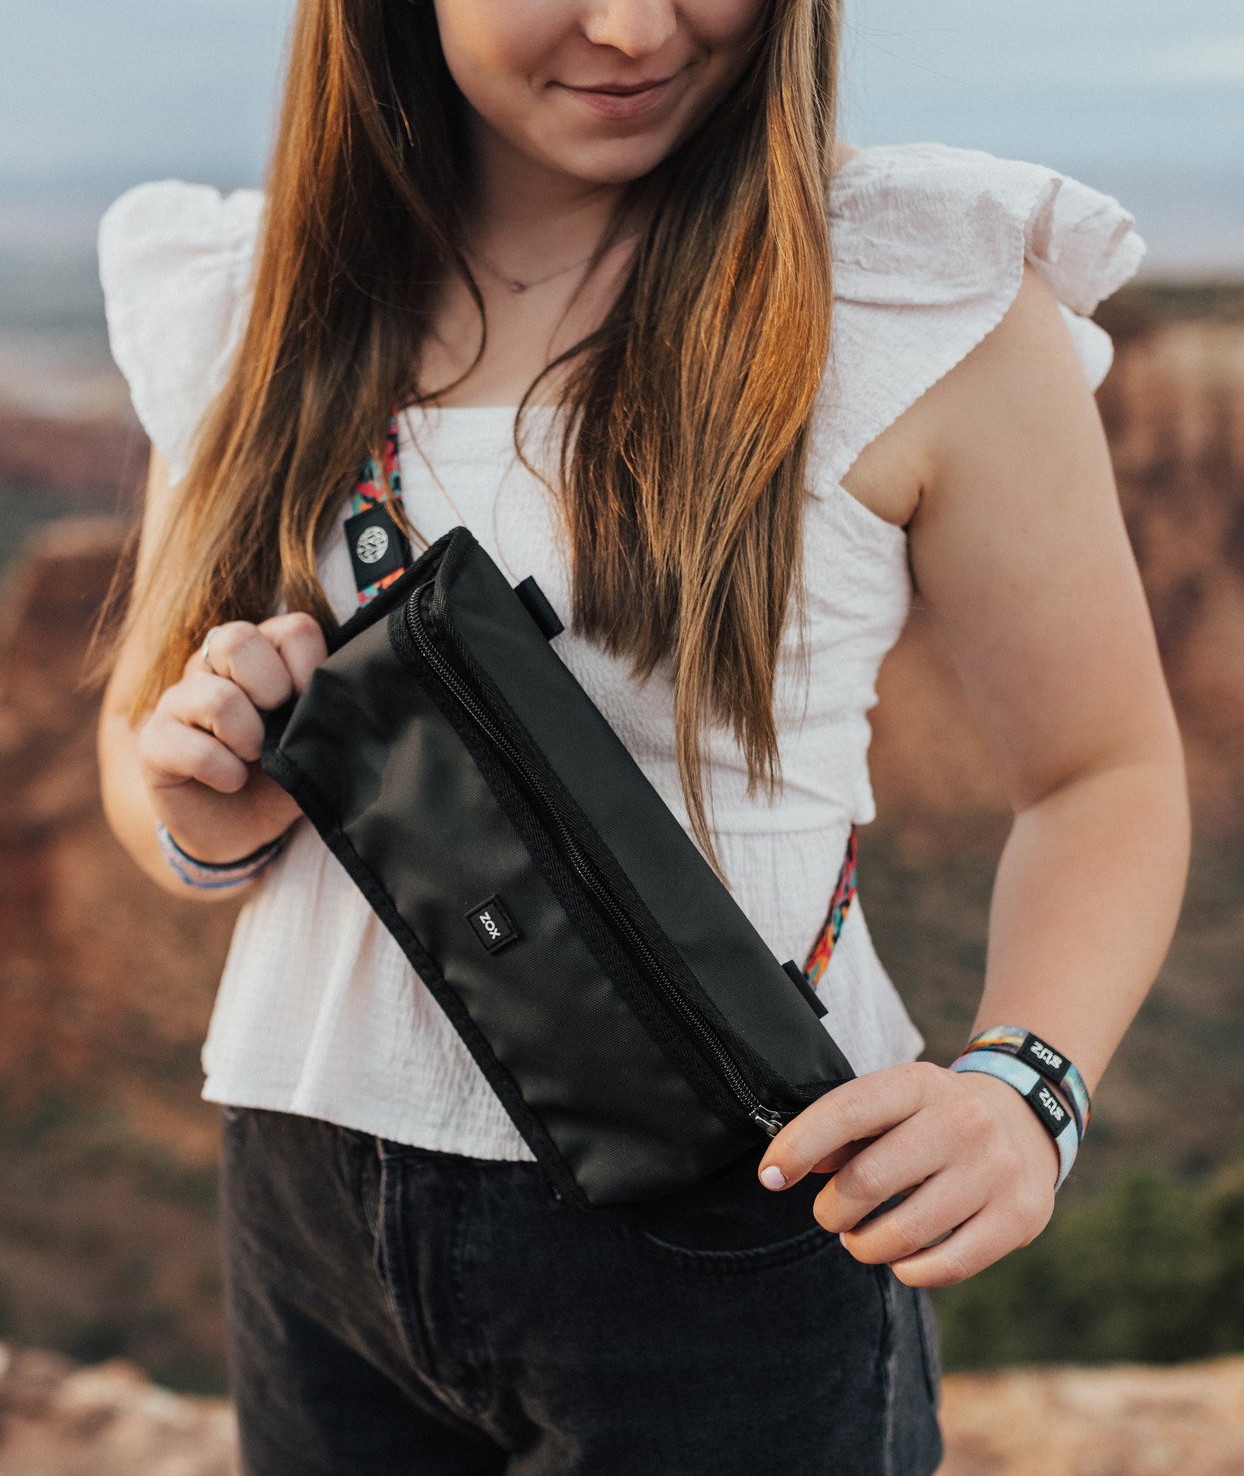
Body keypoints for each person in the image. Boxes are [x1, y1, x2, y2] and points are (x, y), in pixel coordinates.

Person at [91, 2, 1190, 1471]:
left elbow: (1100, 772)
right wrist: (194, 798)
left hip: (733, 1222)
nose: (632, 26)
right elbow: (146, 753)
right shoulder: (260, 296)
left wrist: (1025, 1091)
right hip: (302, 1196)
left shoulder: (912, 292)